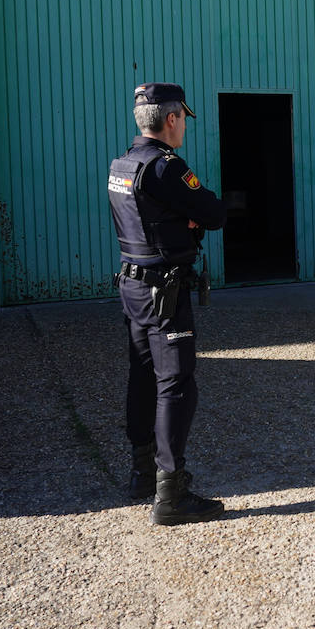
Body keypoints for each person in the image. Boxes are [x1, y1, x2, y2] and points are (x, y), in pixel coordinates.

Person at [107, 82, 230, 526]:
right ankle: (171, 491)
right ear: (173, 118)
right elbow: (214, 213)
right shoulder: (166, 168)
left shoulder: (122, 164)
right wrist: (192, 213)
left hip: (133, 285)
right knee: (176, 383)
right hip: (165, 290)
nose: (183, 128)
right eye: (183, 120)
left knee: (143, 376)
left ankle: (142, 471)